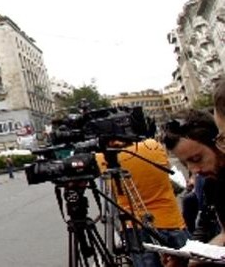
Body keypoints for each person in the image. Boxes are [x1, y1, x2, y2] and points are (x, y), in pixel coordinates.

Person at [96, 138, 189, 266]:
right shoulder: (153, 145)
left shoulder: (102, 159)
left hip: (135, 229)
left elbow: (108, 202)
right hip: (172, 222)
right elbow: (174, 182)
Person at [160, 109, 225, 267]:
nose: (194, 170)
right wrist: (188, 257)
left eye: (197, 159)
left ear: (219, 141)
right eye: (186, 164)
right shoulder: (211, 183)